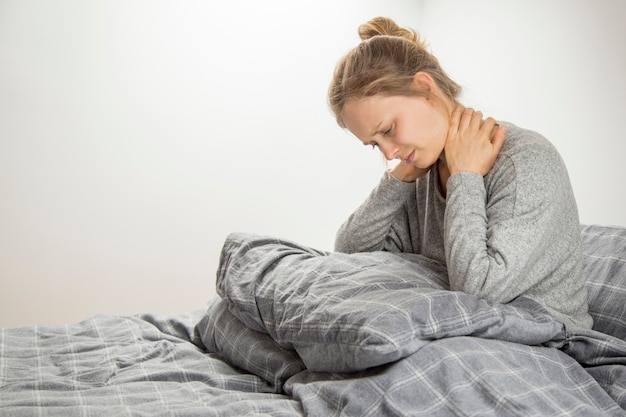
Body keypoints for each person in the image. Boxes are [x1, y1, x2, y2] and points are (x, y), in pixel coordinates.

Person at [328, 16, 592, 331]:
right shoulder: (421, 172)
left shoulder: (525, 161)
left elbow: (480, 291)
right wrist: (396, 179)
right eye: (375, 145)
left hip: (546, 338)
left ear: (425, 89)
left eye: (388, 130)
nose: (388, 153)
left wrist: (464, 177)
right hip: (470, 333)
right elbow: (349, 253)